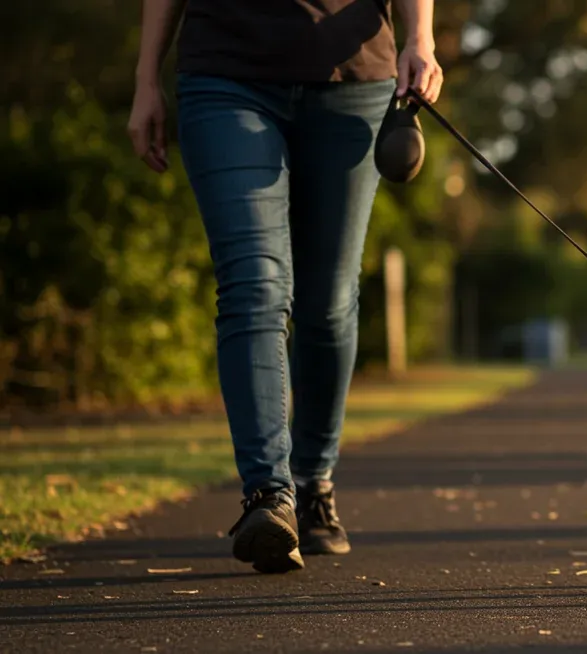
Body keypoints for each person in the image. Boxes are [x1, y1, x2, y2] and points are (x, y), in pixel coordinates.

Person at [127, 0, 441, 574]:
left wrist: (421, 38)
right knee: (254, 285)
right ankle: (269, 496)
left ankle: (313, 479)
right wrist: (146, 79)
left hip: (354, 76)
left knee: (328, 304)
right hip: (226, 75)